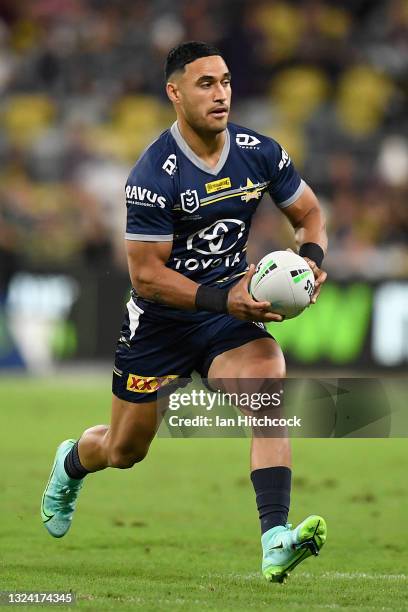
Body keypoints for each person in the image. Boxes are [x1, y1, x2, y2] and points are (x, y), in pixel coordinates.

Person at [41, 41, 328, 583]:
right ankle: (72, 461)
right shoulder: (153, 174)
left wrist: (311, 260)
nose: (221, 94)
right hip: (159, 324)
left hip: (227, 314)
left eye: (224, 82)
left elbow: (309, 214)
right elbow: (145, 275)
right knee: (125, 451)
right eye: (205, 84)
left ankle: (275, 539)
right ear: (175, 93)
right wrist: (226, 298)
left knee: (268, 395)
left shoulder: (259, 151)